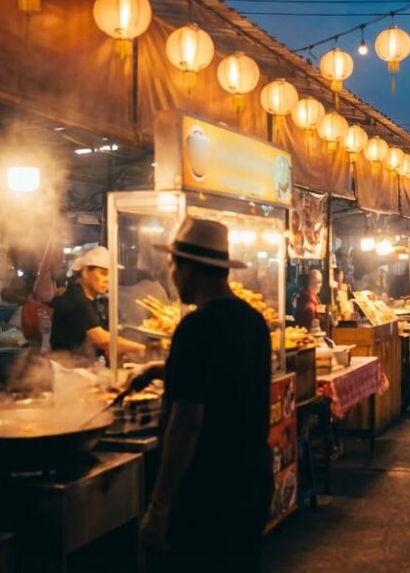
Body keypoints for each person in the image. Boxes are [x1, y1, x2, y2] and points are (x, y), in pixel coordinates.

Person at [141, 218, 272, 571]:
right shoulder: (253, 322)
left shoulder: (195, 328)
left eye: (172, 265)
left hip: (208, 491)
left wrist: (159, 505)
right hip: (251, 483)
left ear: (186, 269)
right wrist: (161, 372)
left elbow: (186, 423)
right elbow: (228, 380)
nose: (171, 274)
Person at [49, 246, 143, 358]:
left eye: (111, 275)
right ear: (85, 273)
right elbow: (102, 339)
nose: (108, 280)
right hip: (67, 369)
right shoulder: (75, 299)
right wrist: (141, 348)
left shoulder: (90, 300)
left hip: (81, 366)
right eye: (103, 273)